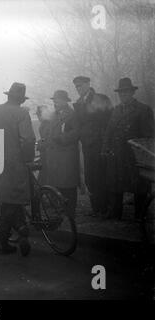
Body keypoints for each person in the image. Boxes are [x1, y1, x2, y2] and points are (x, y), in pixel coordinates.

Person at [0, 82, 35, 256]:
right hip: (14, 165)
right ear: (21, 100)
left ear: (8, 96)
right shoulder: (22, 113)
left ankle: (21, 231)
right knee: (11, 202)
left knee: (8, 201)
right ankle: (5, 241)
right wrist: (28, 159)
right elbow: (28, 140)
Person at [102, 78, 154, 220]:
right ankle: (115, 213)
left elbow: (148, 136)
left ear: (132, 92)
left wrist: (143, 154)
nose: (123, 95)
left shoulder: (143, 110)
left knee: (139, 185)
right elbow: (109, 131)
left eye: (126, 92)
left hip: (134, 156)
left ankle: (141, 214)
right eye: (121, 92)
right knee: (115, 183)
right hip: (117, 154)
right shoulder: (117, 110)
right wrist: (105, 148)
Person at [42, 90, 80, 217]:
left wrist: (62, 139)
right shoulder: (53, 115)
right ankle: (60, 208)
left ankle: (70, 211)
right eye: (54, 100)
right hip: (54, 156)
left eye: (57, 100)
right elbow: (47, 133)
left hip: (66, 155)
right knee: (57, 184)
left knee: (68, 184)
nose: (55, 102)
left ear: (65, 101)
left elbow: (76, 132)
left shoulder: (72, 115)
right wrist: (43, 142)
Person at [72, 75, 101, 215]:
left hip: (100, 144)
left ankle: (105, 208)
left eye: (81, 85)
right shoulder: (78, 103)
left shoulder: (99, 99)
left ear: (88, 84)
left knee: (101, 175)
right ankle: (97, 209)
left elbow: (106, 122)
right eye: (76, 86)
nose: (78, 89)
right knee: (90, 176)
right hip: (87, 145)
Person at [84, 93, 113, 217]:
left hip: (101, 150)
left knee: (101, 179)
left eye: (95, 102)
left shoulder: (107, 114)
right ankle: (96, 208)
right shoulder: (93, 115)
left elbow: (107, 131)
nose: (93, 104)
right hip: (91, 149)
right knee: (91, 179)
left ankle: (103, 208)